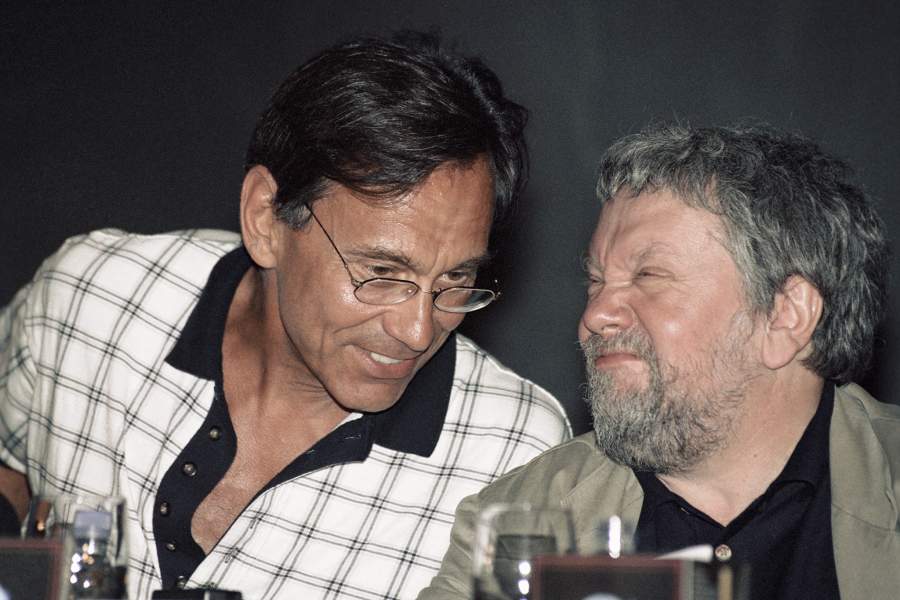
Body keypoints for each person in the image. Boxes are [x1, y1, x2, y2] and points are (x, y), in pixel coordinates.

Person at [0, 32, 571, 599]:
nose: (418, 330)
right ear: (265, 219)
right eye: (381, 273)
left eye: (456, 280)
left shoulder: (511, 454)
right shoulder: (93, 297)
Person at [418, 124, 899, 600]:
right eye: (595, 282)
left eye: (648, 275)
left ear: (786, 315)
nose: (594, 316)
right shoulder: (528, 518)